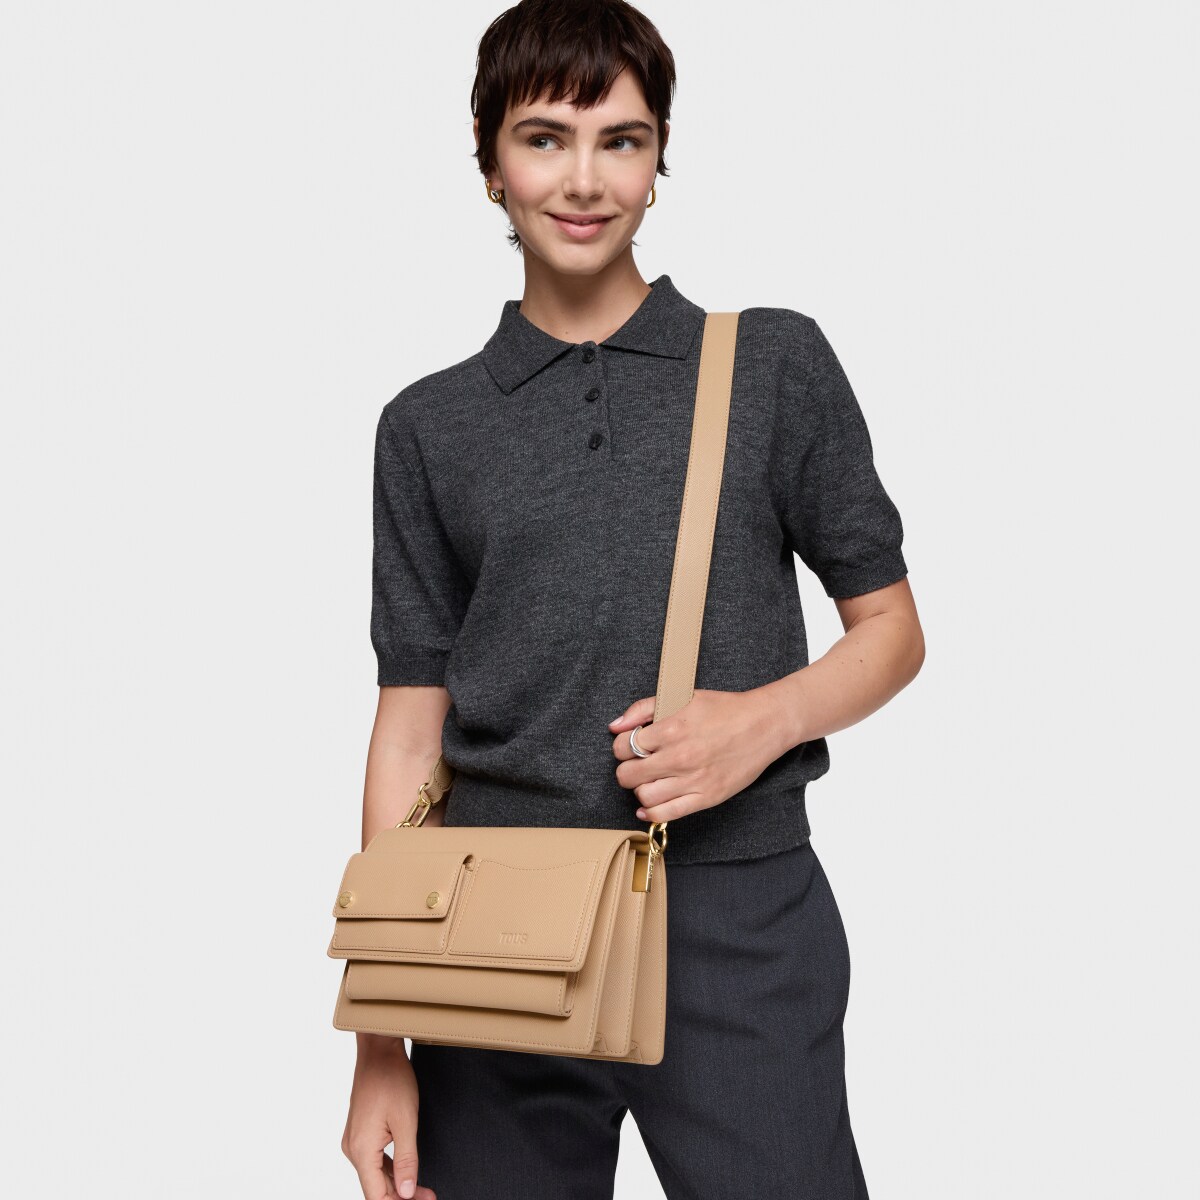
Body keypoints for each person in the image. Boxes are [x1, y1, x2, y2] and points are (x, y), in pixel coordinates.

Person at [340, 2, 926, 1197]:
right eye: (544, 139)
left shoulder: (770, 365)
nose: (584, 180)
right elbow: (407, 734)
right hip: (489, 931)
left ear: (659, 161)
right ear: (488, 161)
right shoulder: (428, 426)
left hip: (736, 917)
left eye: (622, 139)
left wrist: (757, 722)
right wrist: (379, 1047)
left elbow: (893, 631)